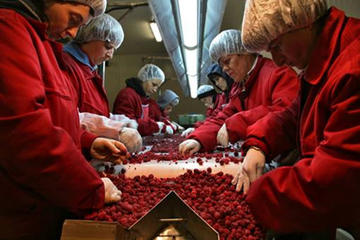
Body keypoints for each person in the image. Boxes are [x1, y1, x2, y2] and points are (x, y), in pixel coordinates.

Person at [231, 0, 360, 236]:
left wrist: (259, 195)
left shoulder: (352, 68)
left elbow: (335, 181)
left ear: (303, 22)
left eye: (277, 46)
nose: (278, 60)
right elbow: (292, 116)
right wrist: (259, 144)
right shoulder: (322, 63)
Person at [0, 0, 126, 239]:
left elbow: (55, 116)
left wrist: (88, 141)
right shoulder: (8, 29)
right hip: (20, 213)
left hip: (47, 200)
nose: (73, 33)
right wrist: (90, 188)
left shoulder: (42, 43)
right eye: (74, 19)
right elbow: (24, 132)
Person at [179, 29, 299, 155]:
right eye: (221, 65)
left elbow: (286, 112)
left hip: (284, 156)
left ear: (245, 52)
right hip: (259, 151)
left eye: (227, 61)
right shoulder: (239, 87)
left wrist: (237, 123)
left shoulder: (278, 73)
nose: (224, 69)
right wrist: (199, 139)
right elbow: (223, 117)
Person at [63, 13, 141, 152]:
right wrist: (115, 129)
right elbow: (67, 118)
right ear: (90, 36)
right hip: (74, 152)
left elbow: (96, 112)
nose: (110, 55)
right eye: (108, 46)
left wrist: (120, 121)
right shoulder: (66, 66)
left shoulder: (91, 73)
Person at [112, 64, 173, 136]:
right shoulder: (127, 95)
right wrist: (156, 127)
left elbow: (145, 120)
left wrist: (161, 124)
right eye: (154, 84)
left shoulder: (143, 98)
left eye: (157, 87)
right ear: (145, 78)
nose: (155, 90)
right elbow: (128, 124)